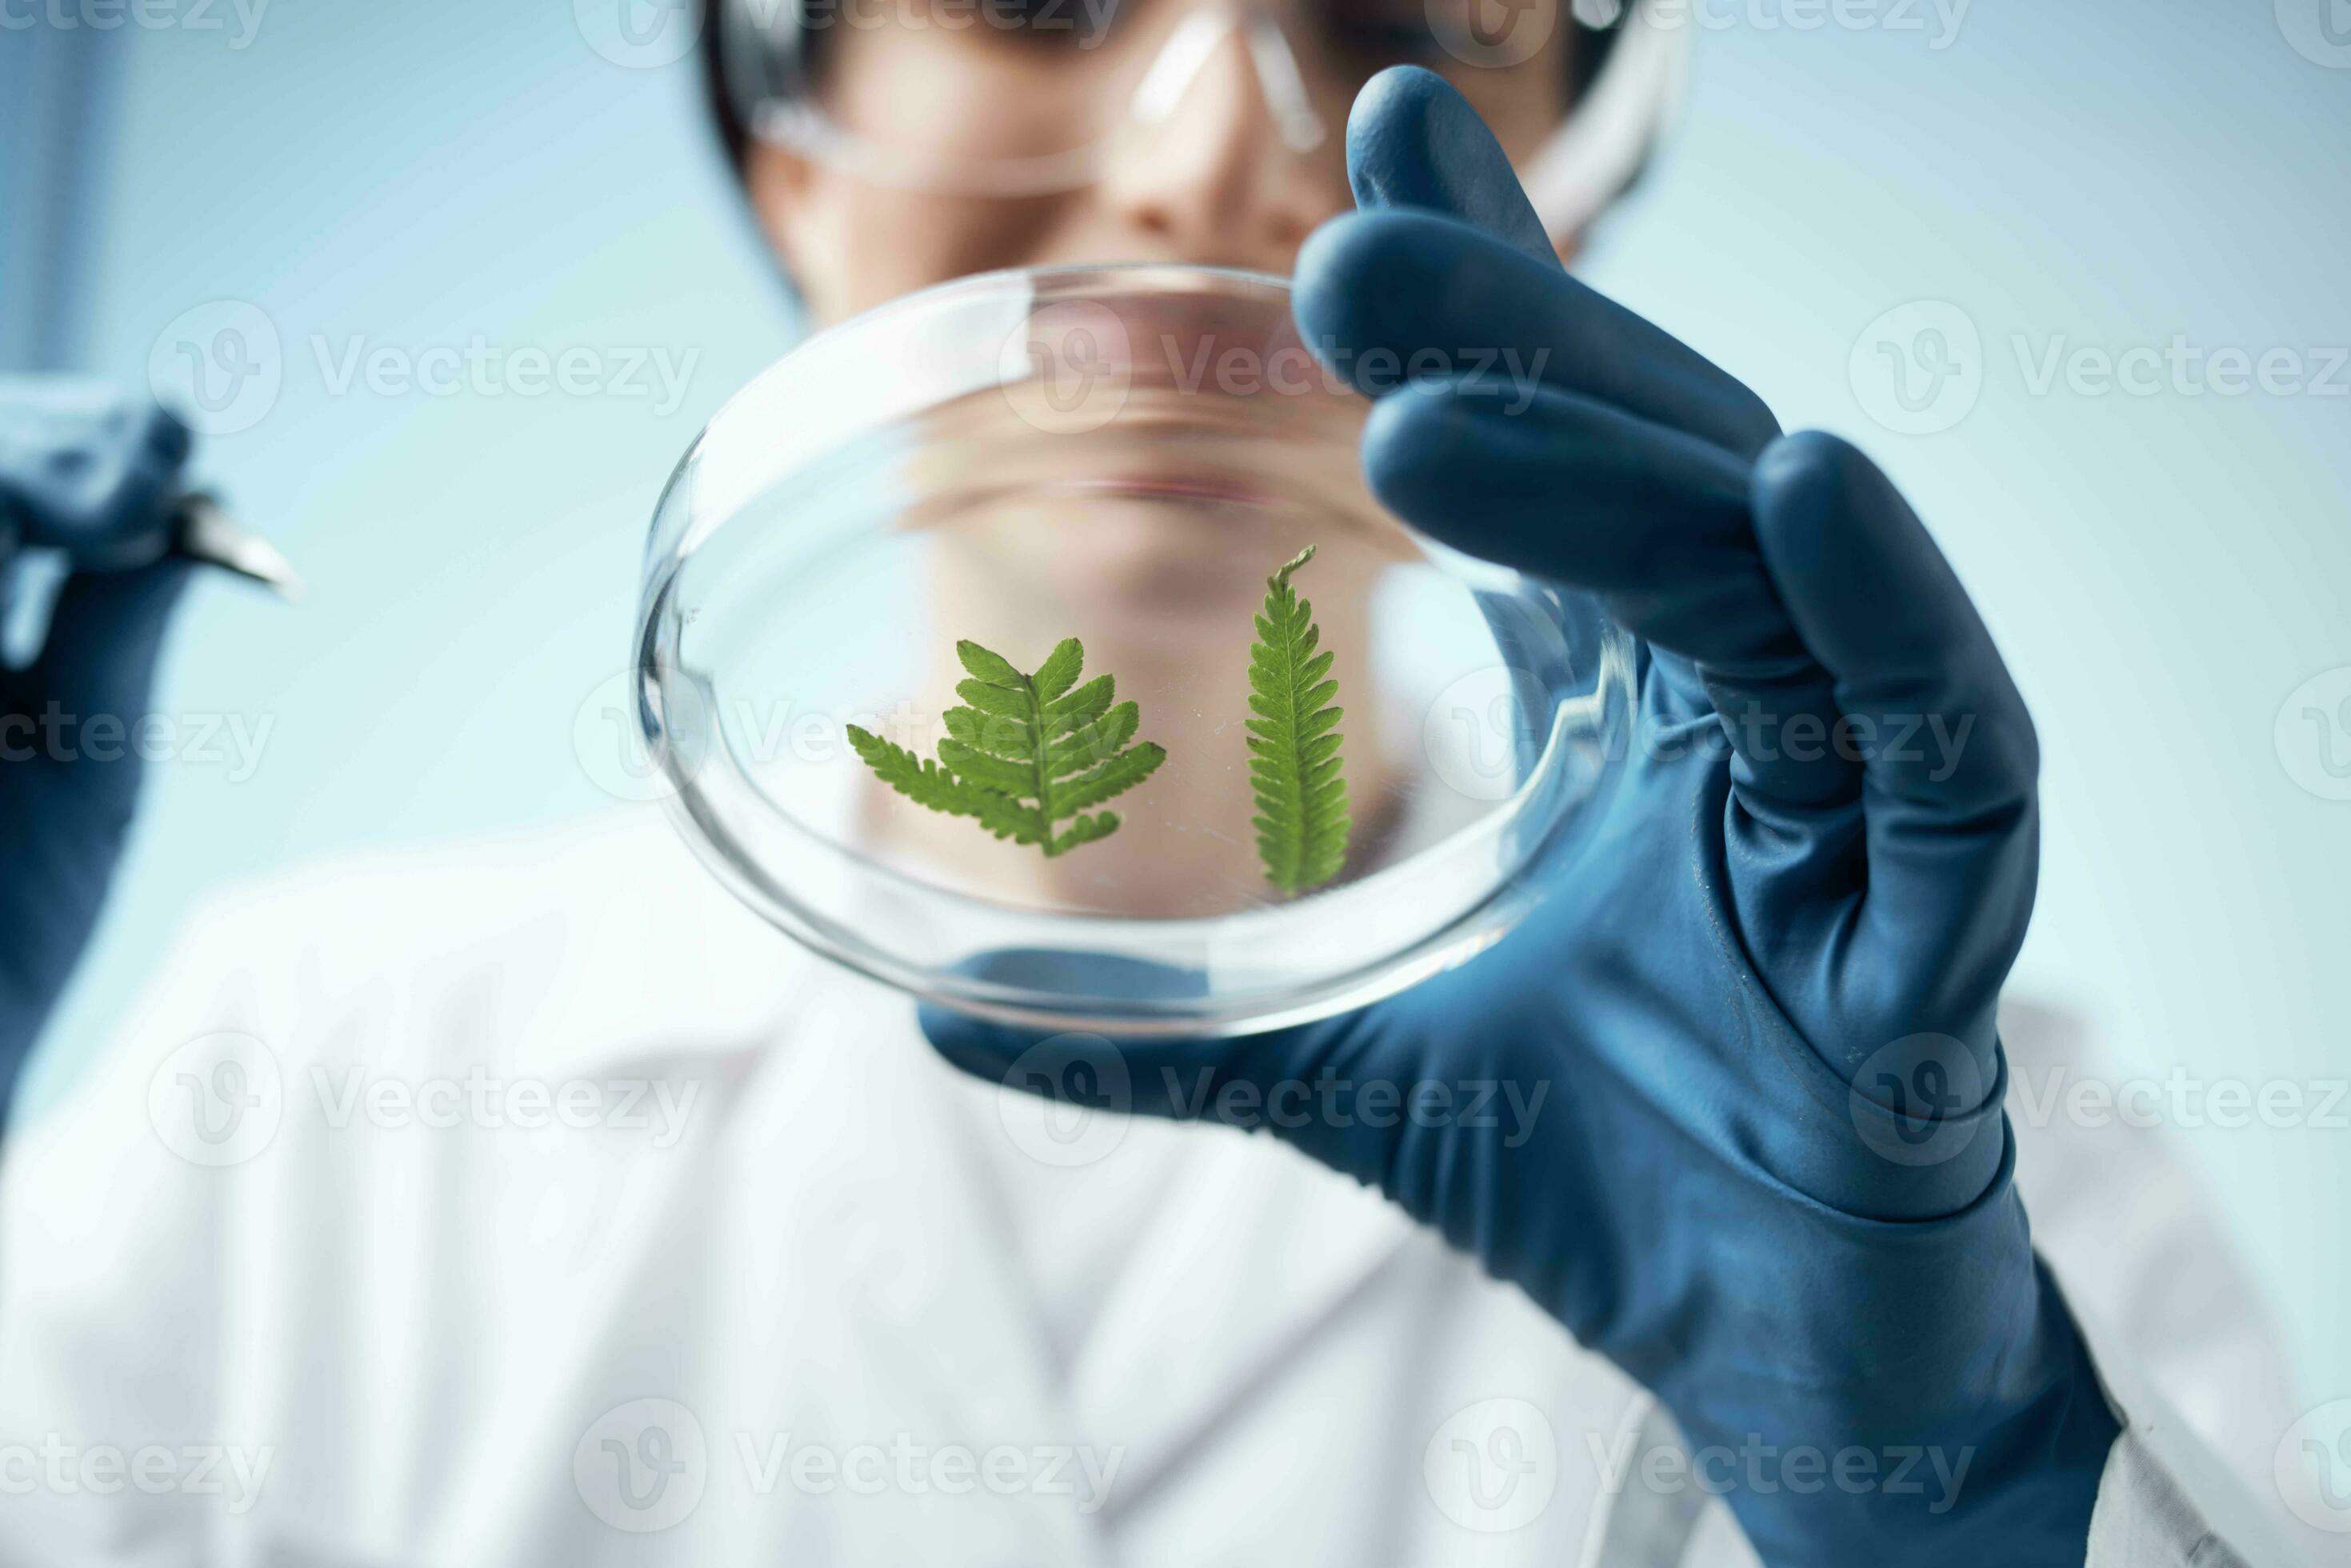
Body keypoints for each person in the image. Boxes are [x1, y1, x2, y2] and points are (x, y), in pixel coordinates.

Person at [0, 1, 2311, 1562]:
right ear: (780, 139)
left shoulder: (1957, 1175)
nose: (1214, 142)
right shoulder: (310, 1089)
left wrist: (1975, 1498)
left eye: (1392, 22)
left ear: (1564, 210)